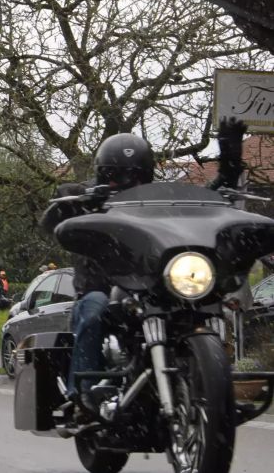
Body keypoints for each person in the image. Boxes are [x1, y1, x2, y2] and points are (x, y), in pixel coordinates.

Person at [41, 121, 246, 413]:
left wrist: (230, 164)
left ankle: (207, 390)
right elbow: (51, 222)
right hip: (100, 288)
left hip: (150, 287)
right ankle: (83, 393)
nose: (125, 183)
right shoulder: (83, 194)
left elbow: (206, 201)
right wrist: (78, 204)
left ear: (147, 175)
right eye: (115, 176)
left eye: (134, 176)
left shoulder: (160, 200)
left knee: (198, 305)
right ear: (102, 172)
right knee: (96, 307)